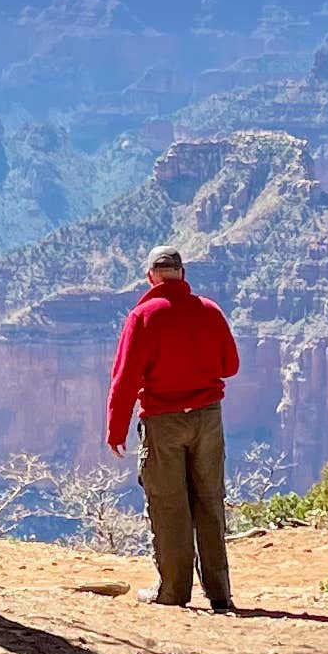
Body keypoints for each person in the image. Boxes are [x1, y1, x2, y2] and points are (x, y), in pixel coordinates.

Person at [105, 244, 242, 610]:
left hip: (163, 422)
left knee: (169, 505)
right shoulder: (210, 311)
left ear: (151, 275)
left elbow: (125, 378)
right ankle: (220, 594)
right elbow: (230, 365)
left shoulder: (143, 316)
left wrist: (116, 428)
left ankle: (173, 591)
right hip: (207, 419)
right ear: (182, 274)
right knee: (210, 502)